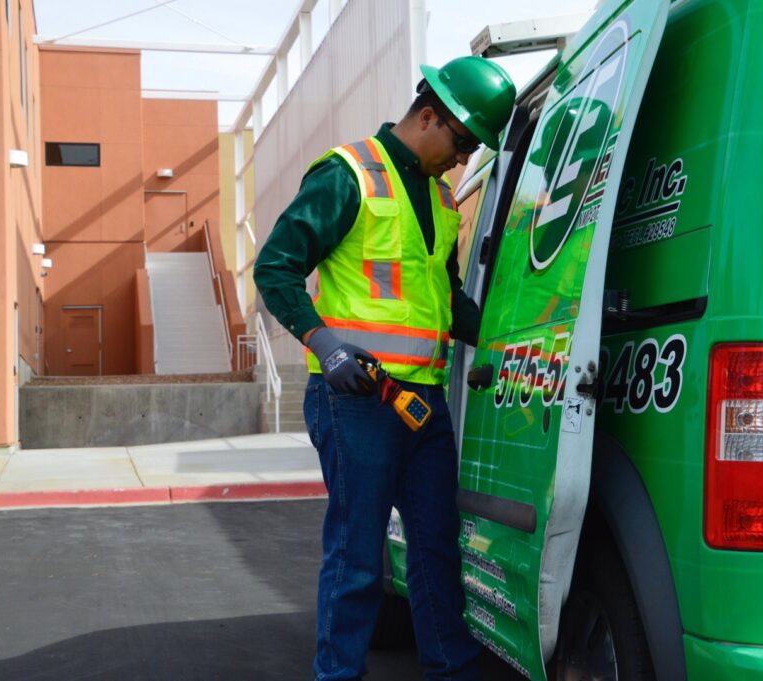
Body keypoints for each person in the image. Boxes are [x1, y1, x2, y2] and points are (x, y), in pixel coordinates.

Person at [254, 56, 516, 681]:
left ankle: (451, 672)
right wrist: (324, 343)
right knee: (357, 557)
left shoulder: (443, 197)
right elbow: (275, 268)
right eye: (461, 142)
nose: (461, 158)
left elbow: (447, 300)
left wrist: (513, 338)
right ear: (429, 116)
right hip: (357, 401)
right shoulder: (347, 176)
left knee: (434, 550)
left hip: (422, 404)